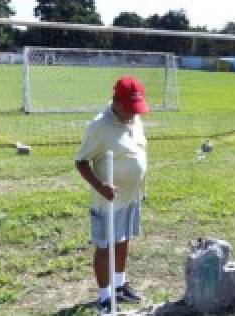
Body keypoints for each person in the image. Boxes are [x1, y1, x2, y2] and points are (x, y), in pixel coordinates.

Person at [75, 76, 149, 313]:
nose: (133, 114)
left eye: (135, 109)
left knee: (124, 238)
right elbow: (81, 162)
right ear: (116, 101)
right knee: (105, 246)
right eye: (129, 108)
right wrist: (101, 187)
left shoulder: (134, 119)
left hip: (131, 196)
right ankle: (105, 296)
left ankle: (120, 284)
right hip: (107, 200)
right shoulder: (99, 126)